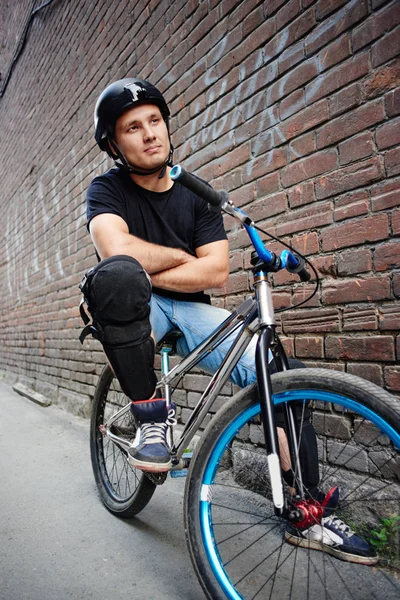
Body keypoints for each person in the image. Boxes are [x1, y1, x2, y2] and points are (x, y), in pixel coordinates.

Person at [81, 77, 377, 564]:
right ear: (114, 143)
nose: (150, 133)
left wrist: (157, 261)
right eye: (133, 127)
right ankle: (150, 420)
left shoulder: (197, 194)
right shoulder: (106, 189)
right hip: (139, 304)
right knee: (118, 277)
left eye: (155, 121)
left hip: (192, 307)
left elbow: (215, 271)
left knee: (279, 371)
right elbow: (116, 250)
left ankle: (306, 508)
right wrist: (178, 257)